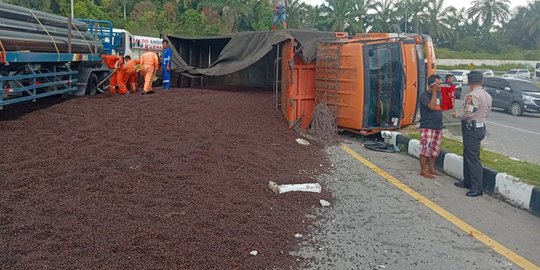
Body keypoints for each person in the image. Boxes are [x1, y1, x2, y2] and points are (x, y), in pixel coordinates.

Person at [451, 71, 492, 197]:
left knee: (473, 157)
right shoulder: (487, 95)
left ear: (469, 82)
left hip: (471, 128)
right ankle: (467, 181)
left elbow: (469, 113)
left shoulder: (472, 96)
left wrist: (457, 114)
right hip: (480, 127)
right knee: (468, 154)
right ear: (482, 81)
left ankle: (477, 187)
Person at [419, 74, 443, 179]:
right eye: (438, 84)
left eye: (440, 83)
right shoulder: (424, 95)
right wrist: (434, 92)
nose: (440, 86)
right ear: (431, 85)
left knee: (434, 149)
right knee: (425, 149)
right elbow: (431, 106)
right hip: (428, 125)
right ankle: (423, 170)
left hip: (438, 126)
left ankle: (431, 168)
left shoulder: (439, 94)